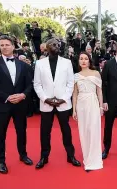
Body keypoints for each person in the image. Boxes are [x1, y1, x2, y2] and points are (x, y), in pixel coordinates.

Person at [0, 35, 33, 174]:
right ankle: (0, 161)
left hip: (20, 105)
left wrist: (23, 95)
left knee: (21, 131)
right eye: (2, 45)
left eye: (7, 44)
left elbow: (30, 84)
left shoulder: (23, 65)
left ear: (13, 46)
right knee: (0, 134)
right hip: (1, 105)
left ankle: (23, 155)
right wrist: (7, 97)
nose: (4, 47)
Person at [33, 38, 81, 169]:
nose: (57, 46)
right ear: (47, 47)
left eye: (58, 44)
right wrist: (45, 99)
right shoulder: (39, 63)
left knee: (66, 131)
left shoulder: (67, 63)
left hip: (63, 104)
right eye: (53, 44)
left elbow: (71, 83)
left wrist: (64, 99)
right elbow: (37, 84)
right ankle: (44, 157)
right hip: (46, 103)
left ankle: (71, 156)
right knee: (44, 132)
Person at [72, 52, 103, 171]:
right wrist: (74, 110)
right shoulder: (76, 75)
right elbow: (75, 94)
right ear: (78, 61)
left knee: (93, 130)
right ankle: (87, 157)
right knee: (83, 130)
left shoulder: (96, 73)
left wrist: (101, 106)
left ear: (89, 61)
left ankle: (94, 159)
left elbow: (99, 91)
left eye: (86, 59)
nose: (83, 61)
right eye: (81, 59)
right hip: (81, 104)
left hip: (93, 103)